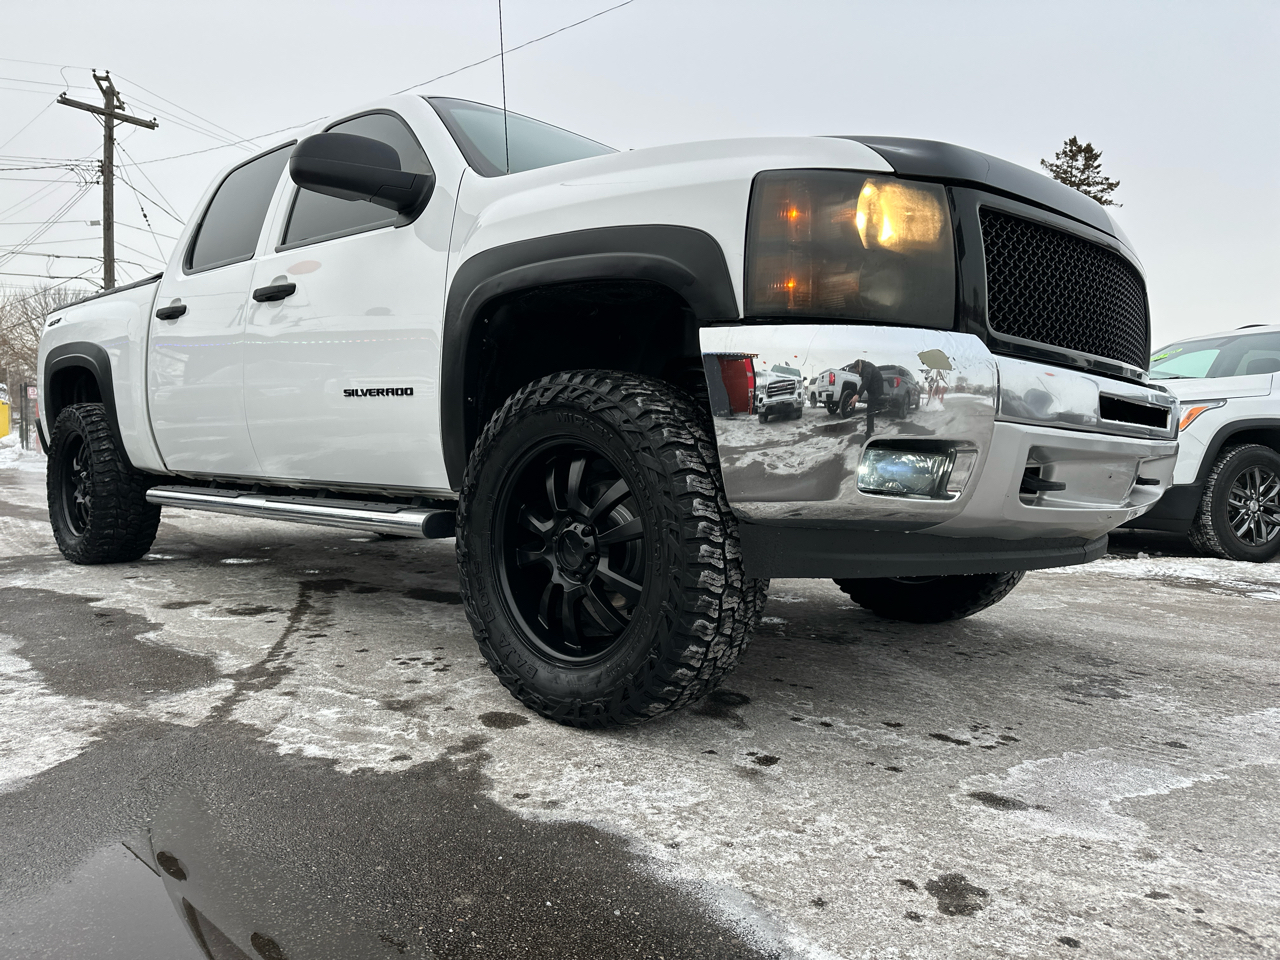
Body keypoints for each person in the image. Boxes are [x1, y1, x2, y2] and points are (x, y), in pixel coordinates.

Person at [851, 359, 885, 436]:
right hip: (873, 389)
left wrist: (858, 394)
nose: (857, 373)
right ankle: (871, 429)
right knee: (871, 408)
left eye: (857, 371)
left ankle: (869, 432)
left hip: (876, 389)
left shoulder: (867, 367)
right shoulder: (864, 368)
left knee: (870, 409)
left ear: (858, 366)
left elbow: (866, 381)